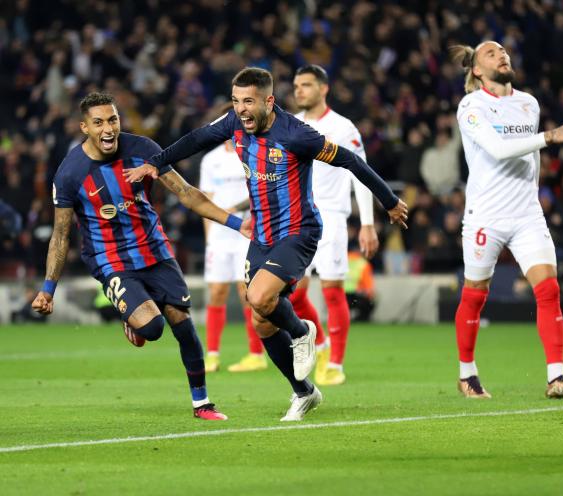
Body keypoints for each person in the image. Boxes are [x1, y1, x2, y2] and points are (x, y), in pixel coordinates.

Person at [124, 67, 408, 421]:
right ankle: (304, 391)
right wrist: (156, 162)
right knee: (261, 321)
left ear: (269, 101)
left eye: (249, 102)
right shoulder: (233, 124)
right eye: (236, 101)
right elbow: (197, 138)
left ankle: (303, 331)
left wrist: (390, 201)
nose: (241, 109)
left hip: (299, 232)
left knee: (258, 297)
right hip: (262, 236)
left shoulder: (297, 135)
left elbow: (351, 160)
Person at [31, 92, 251, 421]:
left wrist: (237, 223)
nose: (108, 128)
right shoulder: (69, 174)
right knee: (152, 327)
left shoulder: (144, 150)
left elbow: (187, 193)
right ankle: (131, 315)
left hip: (155, 249)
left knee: (184, 324)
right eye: (99, 122)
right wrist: (48, 289)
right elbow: (61, 234)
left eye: (113, 119)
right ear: (84, 128)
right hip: (111, 260)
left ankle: (202, 404)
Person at [449, 42, 563, 399]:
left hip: (526, 214)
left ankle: (556, 377)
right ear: (477, 70)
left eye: (504, 51)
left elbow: (531, 160)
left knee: (549, 289)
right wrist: (551, 136)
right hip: (486, 216)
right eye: (492, 54)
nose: (503, 55)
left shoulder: (529, 103)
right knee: (475, 294)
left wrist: (533, 194)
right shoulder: (471, 106)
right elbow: (497, 149)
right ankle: (467, 374)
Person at [292, 64, 379, 386]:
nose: (299, 90)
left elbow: (363, 174)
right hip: (297, 219)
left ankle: (336, 363)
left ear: (323, 88)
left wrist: (367, 224)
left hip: (331, 217)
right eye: (296, 85)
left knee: (331, 290)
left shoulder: (343, 128)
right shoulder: (292, 124)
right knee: (292, 294)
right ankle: (321, 343)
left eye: (306, 85)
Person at [199, 102, 269, 374]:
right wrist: (209, 238)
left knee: (246, 294)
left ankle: (255, 354)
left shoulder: (253, 152)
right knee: (216, 293)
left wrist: (235, 211)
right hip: (219, 236)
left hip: (247, 233)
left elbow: (259, 194)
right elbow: (206, 202)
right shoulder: (211, 159)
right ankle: (212, 355)